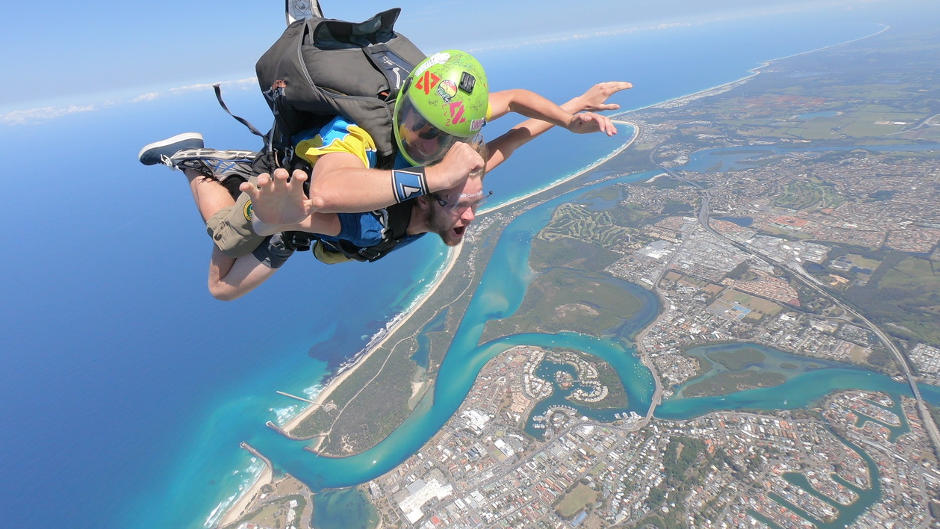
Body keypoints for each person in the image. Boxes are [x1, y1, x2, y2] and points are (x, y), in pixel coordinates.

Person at [140, 50, 630, 299]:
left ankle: (229, 186)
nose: (471, 212)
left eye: (474, 202)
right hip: (292, 202)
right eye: (464, 204)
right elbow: (326, 198)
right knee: (225, 271)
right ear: (426, 199)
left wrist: (573, 113)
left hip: (309, 208)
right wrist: (273, 223)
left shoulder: (454, 160)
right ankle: (192, 162)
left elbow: (517, 131)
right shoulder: (373, 206)